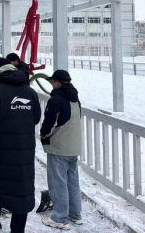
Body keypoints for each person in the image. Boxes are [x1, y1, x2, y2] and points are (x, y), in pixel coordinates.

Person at [0, 58, 42, 233]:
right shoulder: (30, 92)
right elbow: (36, 118)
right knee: (22, 188)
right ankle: (18, 229)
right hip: (24, 150)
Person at [40, 70, 83, 230]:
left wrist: (44, 135)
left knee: (58, 183)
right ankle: (75, 214)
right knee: (72, 182)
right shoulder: (75, 98)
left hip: (59, 147)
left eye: (53, 82)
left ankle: (59, 218)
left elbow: (49, 123)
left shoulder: (56, 100)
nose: (52, 84)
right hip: (73, 146)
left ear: (57, 83)